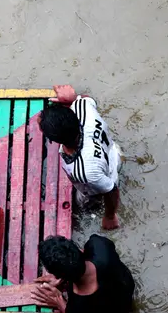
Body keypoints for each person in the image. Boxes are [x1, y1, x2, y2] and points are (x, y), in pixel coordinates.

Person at [39, 84, 122, 230]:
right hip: (114, 153)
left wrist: (110, 216)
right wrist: (73, 99)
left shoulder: (83, 172)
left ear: (55, 140)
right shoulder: (83, 108)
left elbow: (111, 189)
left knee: (83, 205)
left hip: (100, 179)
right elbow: (87, 99)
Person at [31, 235, 134, 313]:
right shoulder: (99, 245)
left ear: (56, 275)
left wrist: (59, 300)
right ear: (79, 251)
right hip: (126, 291)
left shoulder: (77, 306)